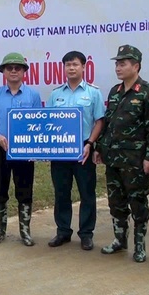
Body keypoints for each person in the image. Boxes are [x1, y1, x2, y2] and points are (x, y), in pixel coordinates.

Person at [94, 45, 149, 262]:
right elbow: (108, 123)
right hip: (113, 158)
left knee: (138, 202)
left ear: (136, 66)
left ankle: (139, 246)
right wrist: (99, 148)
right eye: (117, 63)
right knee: (116, 202)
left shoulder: (148, 92)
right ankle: (119, 240)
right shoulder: (115, 91)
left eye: (123, 63)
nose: (118, 67)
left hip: (135, 160)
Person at [46, 51, 105, 251]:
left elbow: (99, 121)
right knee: (61, 192)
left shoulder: (93, 92)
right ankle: (63, 231)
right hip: (60, 150)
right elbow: (48, 123)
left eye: (75, 64)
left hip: (83, 149)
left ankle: (86, 234)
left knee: (87, 193)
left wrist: (90, 143)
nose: (71, 68)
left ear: (83, 67)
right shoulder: (56, 94)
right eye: (67, 65)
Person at [0, 52, 42, 246]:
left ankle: (25, 231)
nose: (14, 71)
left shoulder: (33, 95)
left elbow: (38, 122)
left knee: (25, 190)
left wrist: (34, 148)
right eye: (10, 68)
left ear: (24, 71)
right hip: (1, 148)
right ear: (4, 72)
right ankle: (0, 231)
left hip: (25, 149)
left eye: (18, 68)